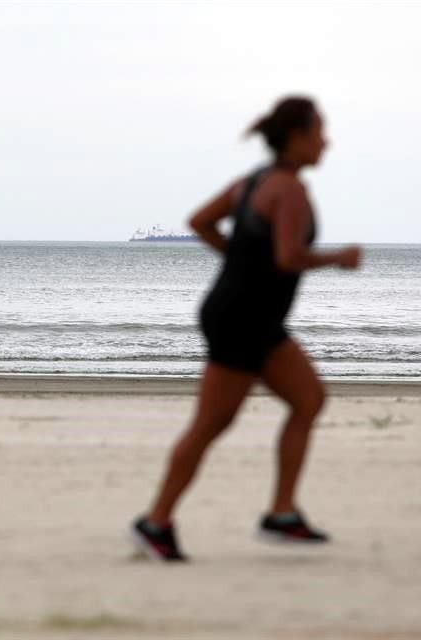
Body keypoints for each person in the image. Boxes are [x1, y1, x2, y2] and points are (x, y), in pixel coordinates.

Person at [131, 96, 361, 562]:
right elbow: (288, 257)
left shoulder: (252, 182)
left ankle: (281, 514)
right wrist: (338, 258)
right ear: (296, 137)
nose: (326, 142)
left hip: (246, 315)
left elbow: (200, 222)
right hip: (243, 320)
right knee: (212, 423)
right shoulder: (288, 190)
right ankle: (156, 523)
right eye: (320, 132)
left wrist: (238, 259)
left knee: (308, 399)